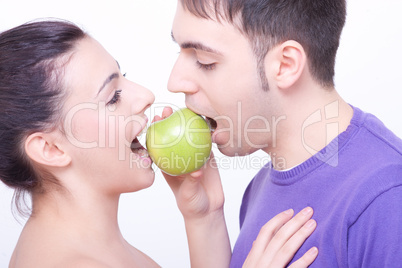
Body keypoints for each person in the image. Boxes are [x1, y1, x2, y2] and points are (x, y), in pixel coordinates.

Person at [0, 19, 318, 267]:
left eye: (123, 76)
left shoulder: (93, 249)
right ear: (50, 149)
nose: (146, 96)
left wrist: (203, 219)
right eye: (113, 97)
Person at [164, 0, 402, 267]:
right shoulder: (260, 188)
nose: (174, 82)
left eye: (204, 61)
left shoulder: (388, 199)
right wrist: (205, 220)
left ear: (285, 65)